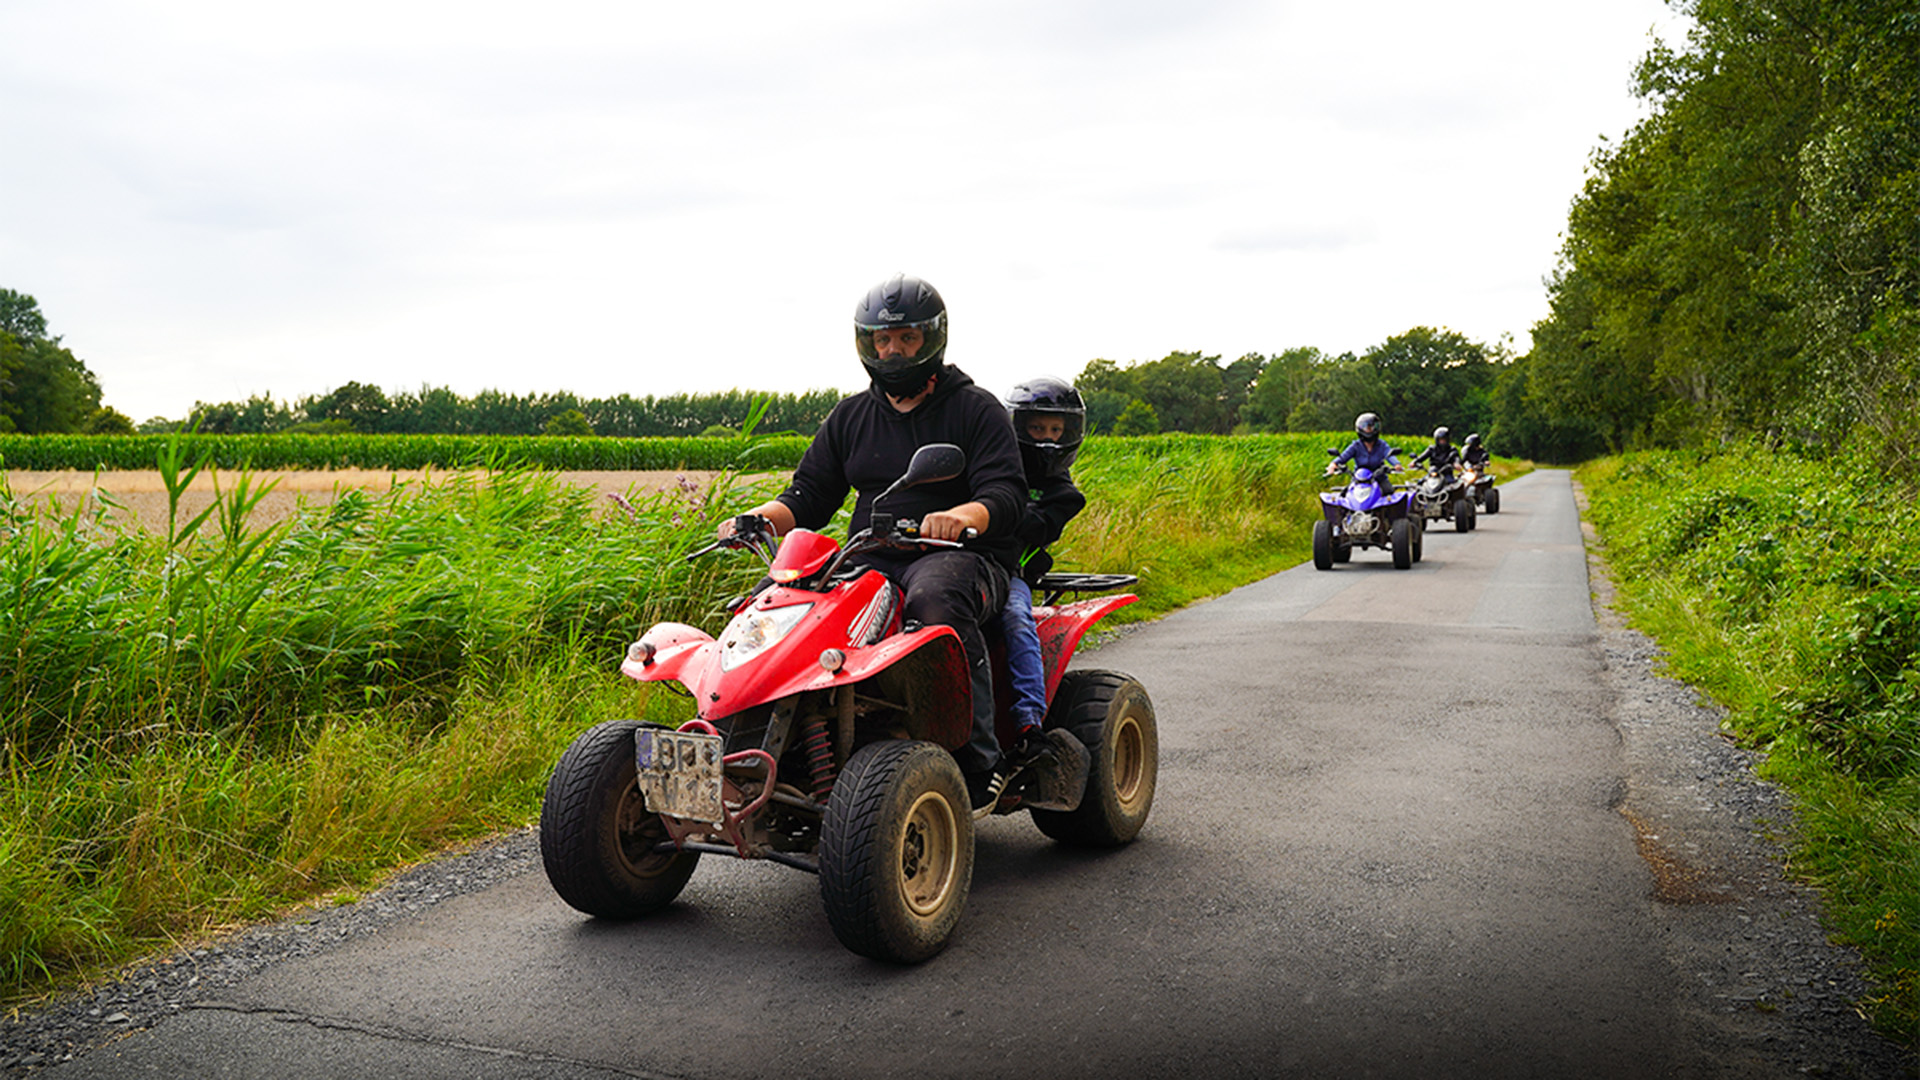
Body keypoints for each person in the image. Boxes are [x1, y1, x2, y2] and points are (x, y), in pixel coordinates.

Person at [719, 274, 1026, 810]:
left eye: (905, 338)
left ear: (931, 338)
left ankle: (980, 760)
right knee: (775, 601)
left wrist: (959, 515)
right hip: (869, 553)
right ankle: (747, 744)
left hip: (961, 558)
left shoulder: (974, 408)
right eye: (881, 340)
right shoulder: (852, 416)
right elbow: (810, 494)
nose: (892, 351)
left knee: (936, 599)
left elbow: (1006, 492)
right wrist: (758, 518)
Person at [999, 376, 1089, 765]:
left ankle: (1028, 723)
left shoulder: (1063, 493)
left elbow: (1035, 525)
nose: (1048, 438)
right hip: (953, 563)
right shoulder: (993, 466)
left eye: (1056, 429)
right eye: (1037, 428)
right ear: (1018, 426)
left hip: (1010, 574)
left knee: (1017, 617)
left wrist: (995, 507)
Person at [1325, 412, 1403, 490]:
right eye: (1366, 427)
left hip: (1379, 479)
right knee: (1345, 494)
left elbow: (1389, 455)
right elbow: (1343, 457)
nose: (1369, 429)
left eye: (1371, 427)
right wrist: (1333, 464)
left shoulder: (1382, 445)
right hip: (1358, 480)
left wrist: (1396, 464)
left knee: (1389, 491)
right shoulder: (1356, 446)